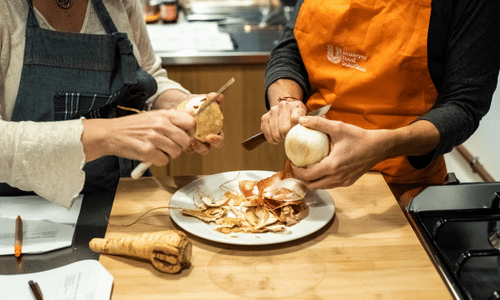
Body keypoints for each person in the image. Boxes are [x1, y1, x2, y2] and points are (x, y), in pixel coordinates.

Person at [0, 0, 223, 208]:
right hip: (25, 209)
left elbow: (148, 74)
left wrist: (183, 106)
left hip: (124, 196)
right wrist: (109, 135)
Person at [261, 0, 500, 190]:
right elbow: (291, 50)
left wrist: (386, 145)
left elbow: (465, 103)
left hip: (404, 189)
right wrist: (286, 102)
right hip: (309, 179)